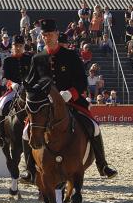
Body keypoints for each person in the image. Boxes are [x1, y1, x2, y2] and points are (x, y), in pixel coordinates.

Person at [24, 19, 117, 178]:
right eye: (44, 35)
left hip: (71, 101)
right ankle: (30, 169)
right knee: (26, 132)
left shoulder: (70, 55)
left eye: (50, 34)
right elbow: (32, 83)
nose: (47, 37)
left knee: (93, 126)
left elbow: (81, 81)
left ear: (56, 34)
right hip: (45, 105)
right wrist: (30, 95)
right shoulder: (37, 58)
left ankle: (102, 165)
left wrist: (70, 93)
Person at [0, 35, 32, 146]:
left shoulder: (29, 59)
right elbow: (5, 78)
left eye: (20, 45)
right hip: (14, 90)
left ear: (23, 46)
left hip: (28, 90)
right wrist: (12, 84)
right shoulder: (8, 60)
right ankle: (1, 136)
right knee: (1, 107)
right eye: (16, 45)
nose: (18, 48)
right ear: (12, 46)